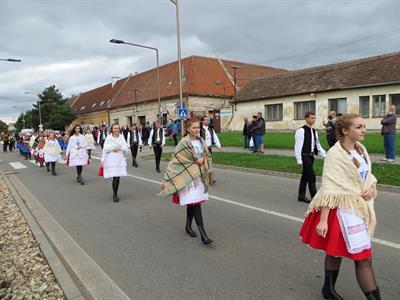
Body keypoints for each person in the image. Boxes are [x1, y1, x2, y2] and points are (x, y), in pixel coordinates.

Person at [300, 113, 380, 300]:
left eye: (364, 126)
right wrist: (324, 221)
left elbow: (368, 175)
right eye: (359, 127)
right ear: (345, 130)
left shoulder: (360, 149)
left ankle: (327, 289)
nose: (364, 130)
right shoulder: (335, 155)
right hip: (341, 210)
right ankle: (329, 289)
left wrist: (371, 187)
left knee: (351, 255)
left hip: (359, 209)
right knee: (355, 256)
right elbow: (330, 187)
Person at [160, 118, 213, 245]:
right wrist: (165, 179)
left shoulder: (201, 141)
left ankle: (188, 226)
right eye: (194, 128)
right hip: (187, 178)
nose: (197, 130)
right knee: (196, 204)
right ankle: (203, 235)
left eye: (198, 128)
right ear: (188, 129)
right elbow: (175, 161)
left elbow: (208, 155)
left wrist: (203, 160)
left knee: (193, 203)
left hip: (199, 177)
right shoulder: (183, 143)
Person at [295, 112, 326, 203]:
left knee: (305, 176)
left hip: (311, 156)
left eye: (314, 118)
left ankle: (301, 195)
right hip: (304, 156)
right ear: (306, 118)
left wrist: (324, 155)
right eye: (311, 118)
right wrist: (299, 159)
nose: (313, 120)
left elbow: (317, 145)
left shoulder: (314, 131)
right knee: (311, 176)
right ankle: (315, 198)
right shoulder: (301, 131)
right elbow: (298, 146)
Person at [101, 123, 129, 202]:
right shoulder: (109, 138)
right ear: (112, 129)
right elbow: (105, 149)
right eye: (115, 128)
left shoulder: (121, 137)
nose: (117, 130)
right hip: (111, 159)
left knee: (117, 177)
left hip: (119, 159)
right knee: (115, 177)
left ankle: (115, 193)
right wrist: (102, 160)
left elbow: (126, 148)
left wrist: (120, 148)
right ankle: (115, 194)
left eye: (118, 128)